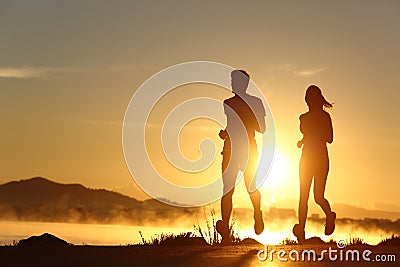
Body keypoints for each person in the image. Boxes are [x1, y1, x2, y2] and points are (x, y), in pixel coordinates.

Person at [216, 70, 266, 243]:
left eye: (236, 80)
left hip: (249, 150)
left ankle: (258, 214)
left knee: (251, 187)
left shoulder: (256, 102)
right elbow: (231, 126)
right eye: (231, 80)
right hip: (229, 150)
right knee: (227, 190)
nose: (232, 83)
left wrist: (246, 116)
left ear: (244, 83)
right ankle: (225, 235)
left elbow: (263, 128)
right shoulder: (226, 103)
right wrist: (225, 133)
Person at [293, 85, 336, 243]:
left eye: (311, 97)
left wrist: (314, 132)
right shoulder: (303, 117)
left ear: (317, 99)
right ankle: (301, 233)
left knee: (318, 196)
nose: (308, 100)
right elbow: (307, 135)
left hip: (321, 159)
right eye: (307, 97)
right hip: (306, 159)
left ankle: (330, 216)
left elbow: (330, 138)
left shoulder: (325, 117)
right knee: (303, 196)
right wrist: (302, 141)